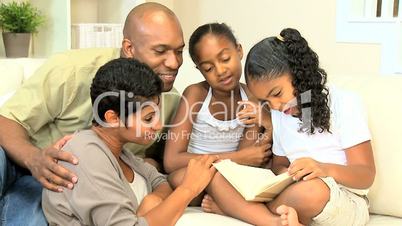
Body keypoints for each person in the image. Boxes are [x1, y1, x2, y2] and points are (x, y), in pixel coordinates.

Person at [0, 2, 183, 225]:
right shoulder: (72, 69)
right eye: (160, 51)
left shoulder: (169, 99)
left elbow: (155, 161)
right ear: (129, 48)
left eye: (179, 51)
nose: (174, 63)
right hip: (20, 156)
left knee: (32, 218)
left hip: (63, 182)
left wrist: (152, 191)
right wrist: (34, 159)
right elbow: (6, 119)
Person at [203, 28, 376, 226]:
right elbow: (279, 164)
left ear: (298, 74)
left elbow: (366, 175)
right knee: (217, 176)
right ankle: (275, 221)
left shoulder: (344, 102)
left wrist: (322, 169)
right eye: (265, 101)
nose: (275, 106)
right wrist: (285, 173)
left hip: (342, 198)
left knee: (312, 191)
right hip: (293, 191)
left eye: (277, 93)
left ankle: (238, 210)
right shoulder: (279, 114)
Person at [42, 58, 217, 226]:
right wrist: (188, 189)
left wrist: (152, 201)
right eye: (148, 118)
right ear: (112, 118)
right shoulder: (86, 155)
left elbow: (161, 182)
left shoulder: (121, 153)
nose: (158, 125)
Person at [163, 23, 272, 205]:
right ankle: (225, 201)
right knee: (187, 178)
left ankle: (221, 201)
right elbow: (171, 161)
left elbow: (251, 157)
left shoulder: (252, 97)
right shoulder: (195, 95)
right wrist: (236, 158)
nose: (220, 71)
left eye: (225, 58)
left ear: (238, 51)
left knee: (253, 176)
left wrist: (266, 123)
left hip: (232, 175)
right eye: (209, 68)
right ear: (200, 70)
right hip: (192, 174)